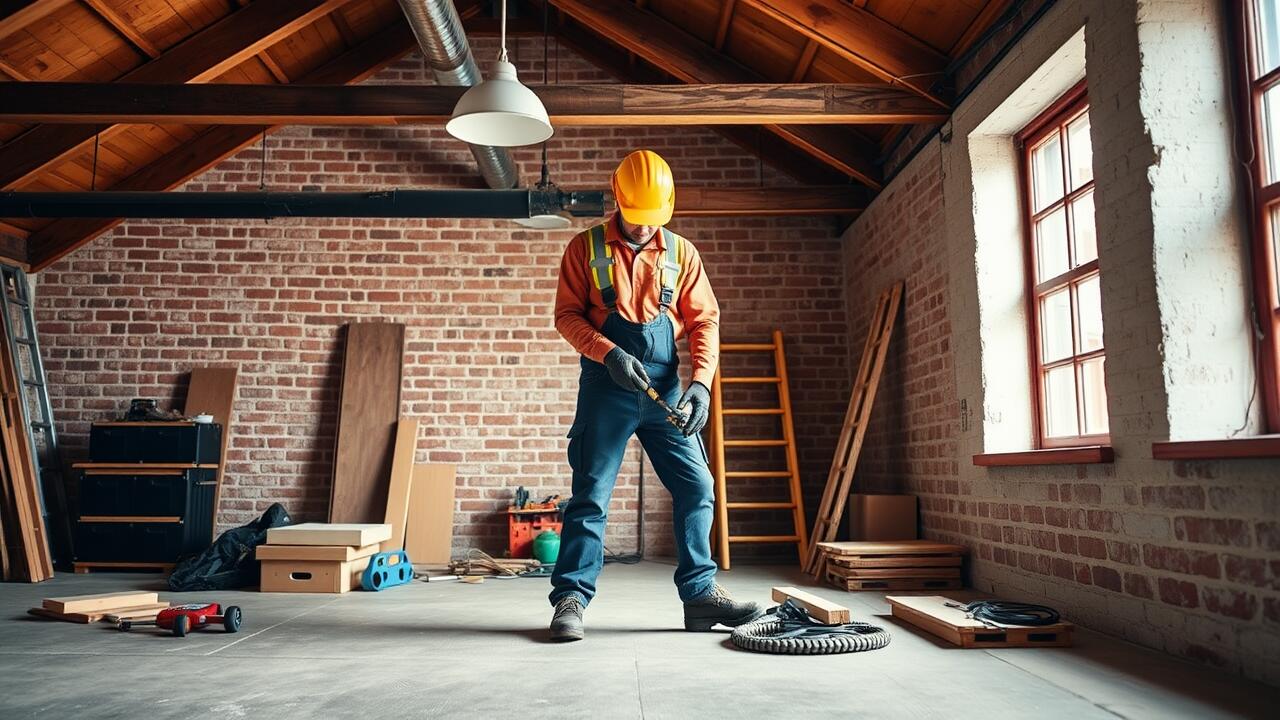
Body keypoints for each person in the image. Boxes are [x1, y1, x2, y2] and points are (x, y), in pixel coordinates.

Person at [548, 149, 761, 642]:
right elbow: (567, 316)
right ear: (619, 201)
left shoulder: (683, 254)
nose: (643, 228)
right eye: (635, 218)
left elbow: (705, 320)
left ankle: (701, 596)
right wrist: (607, 353)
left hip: (666, 387)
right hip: (608, 386)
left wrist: (702, 385)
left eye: (653, 219)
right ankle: (571, 599)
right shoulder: (584, 249)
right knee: (592, 495)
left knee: (697, 487)